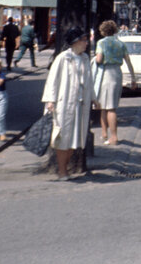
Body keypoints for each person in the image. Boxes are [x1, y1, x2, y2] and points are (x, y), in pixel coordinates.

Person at [42, 28, 94, 180]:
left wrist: (94, 98)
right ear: (75, 42)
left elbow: (89, 81)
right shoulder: (63, 58)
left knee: (74, 139)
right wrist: (50, 100)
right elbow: (52, 80)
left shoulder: (84, 58)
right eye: (84, 40)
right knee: (63, 138)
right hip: (63, 104)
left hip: (80, 104)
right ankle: (62, 171)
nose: (86, 43)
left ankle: (67, 169)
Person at [93, 20, 135, 145]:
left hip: (105, 74)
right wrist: (133, 78)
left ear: (103, 31)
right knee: (109, 105)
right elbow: (128, 61)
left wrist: (94, 58)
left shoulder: (101, 43)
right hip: (117, 73)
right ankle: (105, 134)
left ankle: (113, 136)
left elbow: (99, 59)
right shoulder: (121, 44)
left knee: (106, 107)